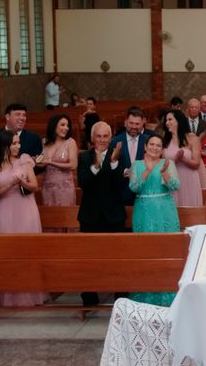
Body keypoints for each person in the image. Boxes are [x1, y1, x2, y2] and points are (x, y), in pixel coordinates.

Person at [0, 131, 44, 307]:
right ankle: (8, 295)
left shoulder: (25, 161)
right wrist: (10, 184)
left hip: (26, 208)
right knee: (7, 252)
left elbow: (35, 186)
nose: (17, 146)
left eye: (18, 143)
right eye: (14, 143)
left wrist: (22, 183)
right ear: (5, 145)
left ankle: (30, 294)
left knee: (27, 251)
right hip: (6, 209)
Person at [77, 121, 125, 306]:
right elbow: (84, 182)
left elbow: (120, 185)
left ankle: (120, 297)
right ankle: (89, 297)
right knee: (89, 259)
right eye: (99, 136)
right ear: (91, 138)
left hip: (114, 215)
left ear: (111, 137)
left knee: (118, 258)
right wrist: (96, 164)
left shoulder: (118, 155)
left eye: (106, 136)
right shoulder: (84, 157)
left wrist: (113, 163)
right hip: (90, 215)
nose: (102, 140)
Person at [129, 135, 180, 306]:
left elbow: (175, 186)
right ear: (145, 146)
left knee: (166, 251)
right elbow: (134, 187)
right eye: (152, 144)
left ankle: (167, 295)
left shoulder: (168, 163)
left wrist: (164, 172)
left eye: (158, 145)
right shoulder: (136, 164)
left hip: (165, 209)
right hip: (144, 210)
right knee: (145, 251)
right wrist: (148, 170)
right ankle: (144, 294)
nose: (155, 147)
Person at [0, 103, 43, 206]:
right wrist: (4, 166)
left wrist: (37, 164)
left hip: (23, 193)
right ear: (7, 117)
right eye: (18, 114)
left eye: (24, 115)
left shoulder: (34, 138)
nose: (22, 118)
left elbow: (39, 165)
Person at [163, 109, 205, 207]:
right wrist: (175, 160)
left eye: (170, 120)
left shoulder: (192, 139)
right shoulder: (165, 141)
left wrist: (183, 159)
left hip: (189, 179)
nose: (167, 122)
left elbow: (196, 164)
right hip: (172, 180)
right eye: (166, 120)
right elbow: (162, 165)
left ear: (179, 121)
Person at [111, 108, 150, 206]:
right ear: (125, 123)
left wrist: (138, 172)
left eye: (137, 124)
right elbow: (109, 164)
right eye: (131, 123)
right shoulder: (115, 141)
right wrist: (124, 171)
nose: (134, 126)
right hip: (122, 192)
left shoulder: (149, 141)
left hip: (144, 191)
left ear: (142, 124)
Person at [39, 114, 78, 206]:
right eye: (62, 125)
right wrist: (36, 161)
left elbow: (73, 165)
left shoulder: (70, 142)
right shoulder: (45, 142)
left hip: (65, 187)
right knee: (50, 215)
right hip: (48, 186)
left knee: (64, 216)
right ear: (54, 125)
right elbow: (42, 164)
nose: (66, 128)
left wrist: (50, 162)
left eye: (67, 125)